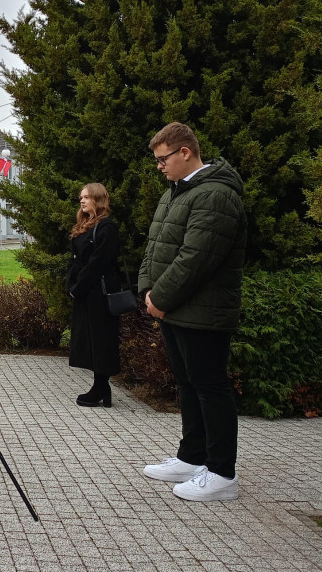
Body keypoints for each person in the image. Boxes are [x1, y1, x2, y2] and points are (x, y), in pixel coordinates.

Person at [139, 122, 247, 502]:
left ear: (186, 152)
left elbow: (196, 258)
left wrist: (161, 297)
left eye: (163, 158)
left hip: (203, 310)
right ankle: (192, 457)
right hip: (175, 309)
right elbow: (155, 246)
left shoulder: (216, 194)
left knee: (210, 387)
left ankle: (221, 474)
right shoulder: (177, 193)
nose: (159, 166)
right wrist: (147, 290)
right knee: (187, 383)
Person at [65, 183, 122, 408]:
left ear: (98, 199)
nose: (82, 201)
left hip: (99, 293)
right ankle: (101, 387)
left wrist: (78, 287)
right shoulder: (84, 226)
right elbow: (75, 260)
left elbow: (98, 264)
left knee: (101, 339)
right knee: (88, 338)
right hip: (84, 293)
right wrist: (72, 285)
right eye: (81, 197)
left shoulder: (107, 228)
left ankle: (101, 386)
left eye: (87, 197)